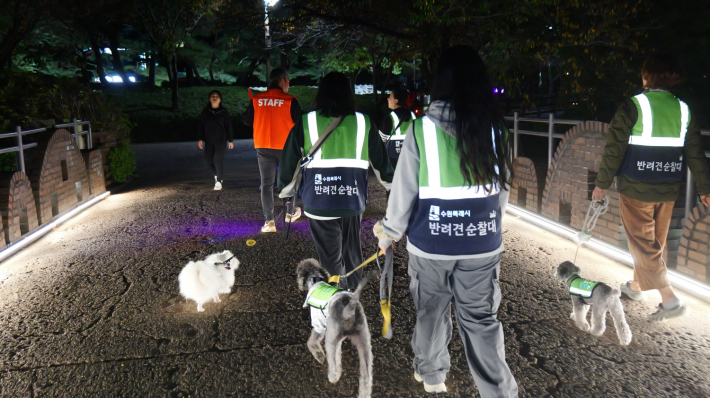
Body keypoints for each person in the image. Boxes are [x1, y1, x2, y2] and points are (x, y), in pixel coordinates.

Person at [374, 45, 518, 396]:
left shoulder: (421, 129)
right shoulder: (496, 130)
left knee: (431, 312)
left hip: (431, 245)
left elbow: (403, 190)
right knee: (481, 322)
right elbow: (502, 191)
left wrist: (388, 232)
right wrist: (488, 226)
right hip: (482, 244)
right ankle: (499, 392)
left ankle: (433, 376)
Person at [592, 53, 710, 322]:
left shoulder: (633, 105)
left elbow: (614, 149)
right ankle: (636, 287)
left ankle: (669, 299)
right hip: (668, 188)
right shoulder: (683, 109)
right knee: (652, 242)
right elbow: (695, 152)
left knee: (643, 243)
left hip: (636, 187)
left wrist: (602, 184)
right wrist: (705, 188)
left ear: (647, 77)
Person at [277, 72, 393, 289]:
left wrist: (285, 193)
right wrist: (392, 189)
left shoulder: (306, 121)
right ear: (349, 94)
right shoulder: (363, 122)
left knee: (329, 259)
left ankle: (335, 304)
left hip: (319, 201)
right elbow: (382, 163)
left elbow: (289, 162)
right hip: (352, 200)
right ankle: (352, 299)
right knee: (352, 252)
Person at [242, 68, 303, 232]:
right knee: (289, 181)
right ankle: (289, 213)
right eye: (288, 82)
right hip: (285, 146)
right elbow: (300, 124)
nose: (288, 85)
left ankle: (269, 222)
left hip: (262, 145)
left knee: (267, 184)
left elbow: (247, 120)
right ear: (282, 81)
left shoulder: (257, 99)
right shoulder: (290, 100)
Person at [198, 90, 234, 190]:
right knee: (207, 161)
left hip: (221, 140)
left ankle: (218, 182)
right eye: (213, 96)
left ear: (220, 99)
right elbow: (201, 125)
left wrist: (230, 140)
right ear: (210, 99)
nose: (214, 98)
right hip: (209, 140)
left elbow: (229, 126)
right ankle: (217, 175)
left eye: (217, 96)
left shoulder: (223, 112)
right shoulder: (206, 112)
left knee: (219, 160)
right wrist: (200, 138)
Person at [378, 88, 416, 168]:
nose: (388, 98)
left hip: (393, 158)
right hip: (411, 156)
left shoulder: (389, 118)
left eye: (390, 96)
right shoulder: (413, 116)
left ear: (396, 101)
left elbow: (381, 139)